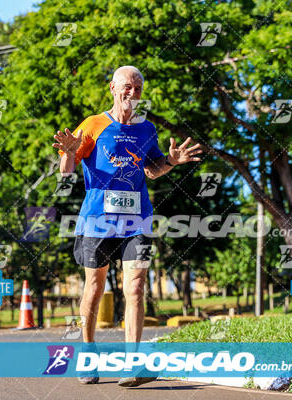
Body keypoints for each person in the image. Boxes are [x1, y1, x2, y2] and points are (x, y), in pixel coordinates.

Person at [53, 65, 202, 387]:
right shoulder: (93, 125)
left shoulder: (147, 129)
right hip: (96, 219)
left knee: (135, 285)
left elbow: (152, 170)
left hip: (137, 220)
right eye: (127, 87)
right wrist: (68, 152)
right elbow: (67, 170)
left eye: (137, 88)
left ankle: (133, 362)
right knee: (95, 288)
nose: (132, 93)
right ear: (112, 88)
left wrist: (172, 162)